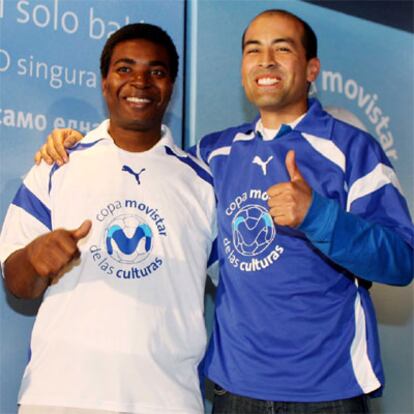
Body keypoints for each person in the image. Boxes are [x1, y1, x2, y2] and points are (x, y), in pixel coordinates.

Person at [33, 9, 414, 414]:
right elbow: (145, 168)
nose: (265, 60)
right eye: (253, 50)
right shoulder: (211, 155)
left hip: (328, 391)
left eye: (281, 49)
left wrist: (318, 216)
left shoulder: (354, 149)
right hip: (235, 391)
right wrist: (75, 144)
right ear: (243, 67)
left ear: (311, 68)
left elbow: (401, 260)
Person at [0, 23, 216, 414]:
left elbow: (241, 285)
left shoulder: (203, 184)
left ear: (172, 86)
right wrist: (34, 258)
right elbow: (16, 283)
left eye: (157, 71)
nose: (140, 82)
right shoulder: (58, 164)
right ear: (104, 82)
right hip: (59, 397)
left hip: (168, 401)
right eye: (125, 69)